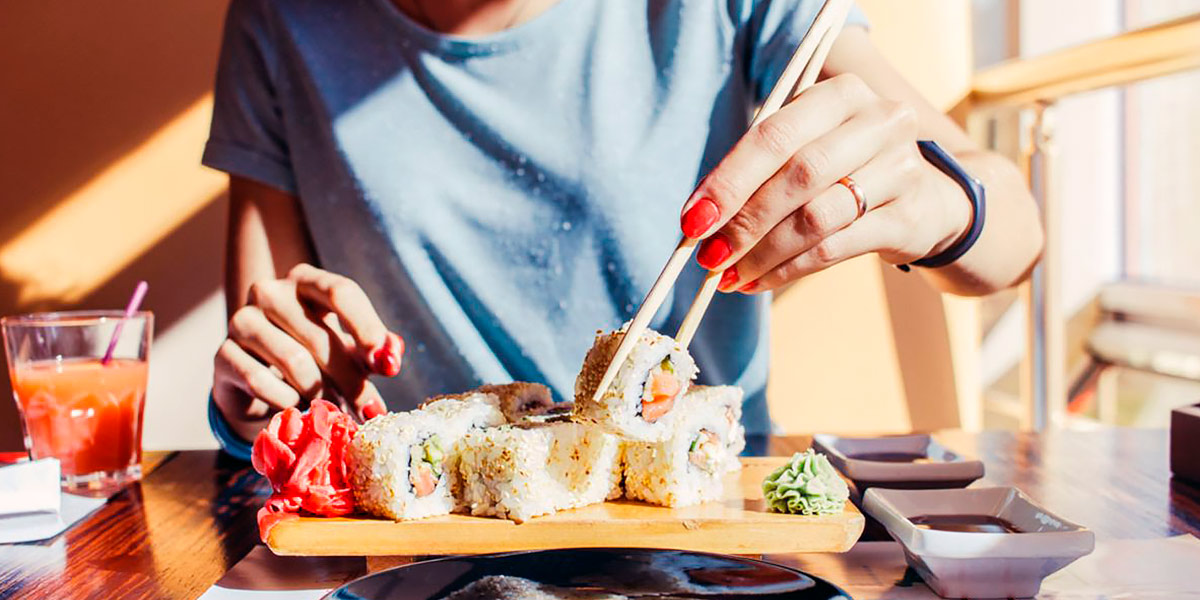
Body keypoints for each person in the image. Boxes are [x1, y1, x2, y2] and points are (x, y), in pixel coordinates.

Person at [204, 0, 1043, 459]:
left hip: (698, 528)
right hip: (430, 540)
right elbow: (273, 348)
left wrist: (943, 207)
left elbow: (1014, 240)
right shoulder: (280, 22)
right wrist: (268, 393)